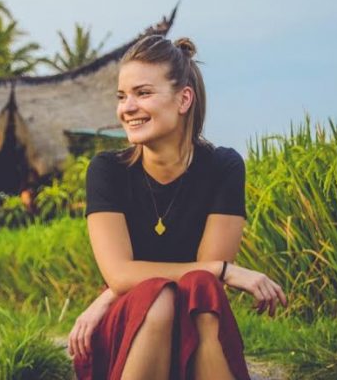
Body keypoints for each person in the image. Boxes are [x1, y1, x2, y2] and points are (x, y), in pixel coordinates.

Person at [68, 35, 287, 380]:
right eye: (122, 96)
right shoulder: (107, 170)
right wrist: (228, 270)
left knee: (199, 288)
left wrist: (106, 296)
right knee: (159, 299)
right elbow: (120, 274)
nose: (127, 108)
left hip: (196, 314)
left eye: (143, 93)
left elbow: (203, 278)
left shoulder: (223, 167)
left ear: (184, 99)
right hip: (134, 318)